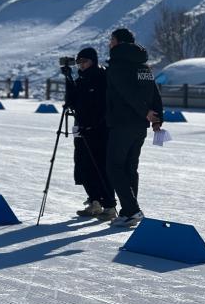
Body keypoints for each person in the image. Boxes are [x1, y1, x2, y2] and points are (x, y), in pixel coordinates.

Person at [106, 28, 163, 227]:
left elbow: (126, 92)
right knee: (130, 168)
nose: (109, 43)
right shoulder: (143, 66)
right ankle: (129, 212)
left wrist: (145, 111)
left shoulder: (118, 64)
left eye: (112, 40)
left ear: (119, 42)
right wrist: (156, 118)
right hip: (140, 126)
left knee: (114, 167)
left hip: (123, 123)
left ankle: (131, 210)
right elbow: (154, 93)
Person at [61, 48, 116, 220]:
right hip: (81, 128)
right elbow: (72, 100)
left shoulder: (102, 77)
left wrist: (93, 125)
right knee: (83, 166)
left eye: (85, 61)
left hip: (99, 131)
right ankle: (94, 201)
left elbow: (104, 107)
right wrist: (68, 78)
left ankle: (109, 205)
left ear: (93, 61)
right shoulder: (81, 79)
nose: (82, 65)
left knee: (100, 167)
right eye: (79, 62)